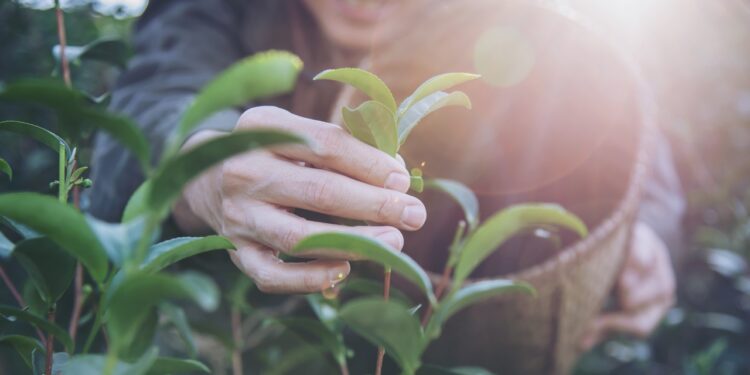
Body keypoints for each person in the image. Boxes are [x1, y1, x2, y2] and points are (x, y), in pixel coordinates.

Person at [87, 0, 683, 368]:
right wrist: (206, 164)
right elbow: (154, 97)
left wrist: (647, 233)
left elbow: (628, 130)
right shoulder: (215, 10)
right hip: (268, 330)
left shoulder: (514, 20)